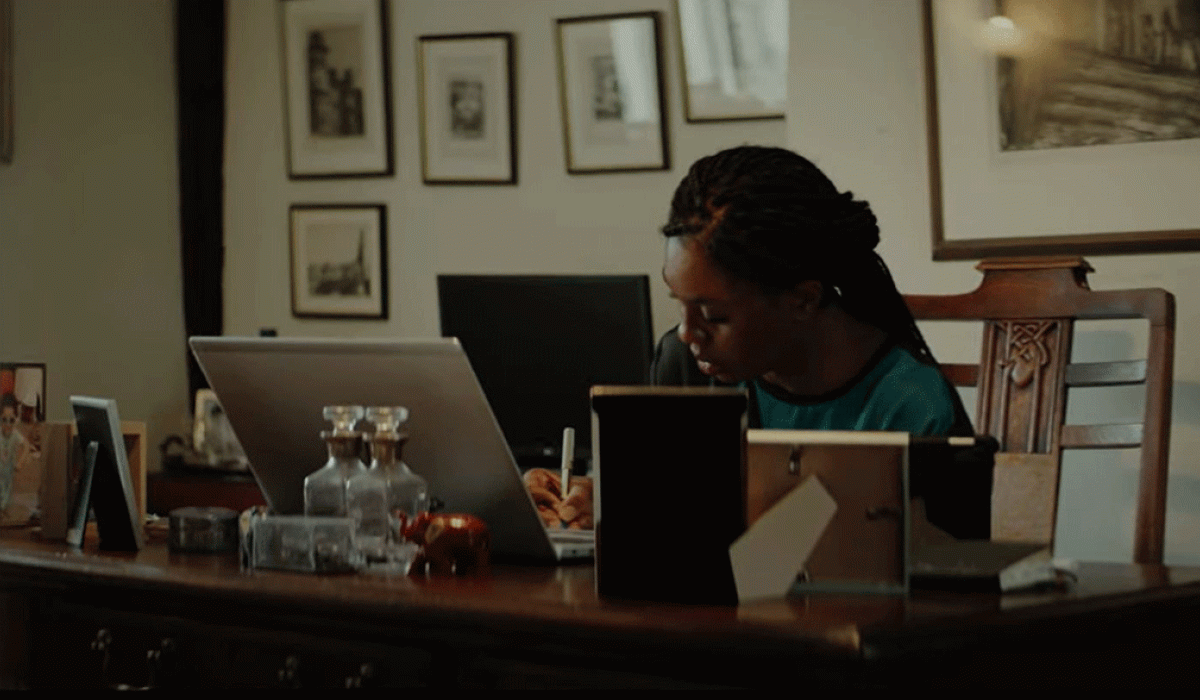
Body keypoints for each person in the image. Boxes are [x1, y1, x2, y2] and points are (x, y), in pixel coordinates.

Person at [654, 145, 991, 539]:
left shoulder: (910, 405)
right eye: (679, 304)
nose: (687, 333)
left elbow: (951, 581)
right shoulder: (684, 366)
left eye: (714, 316)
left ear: (803, 300)